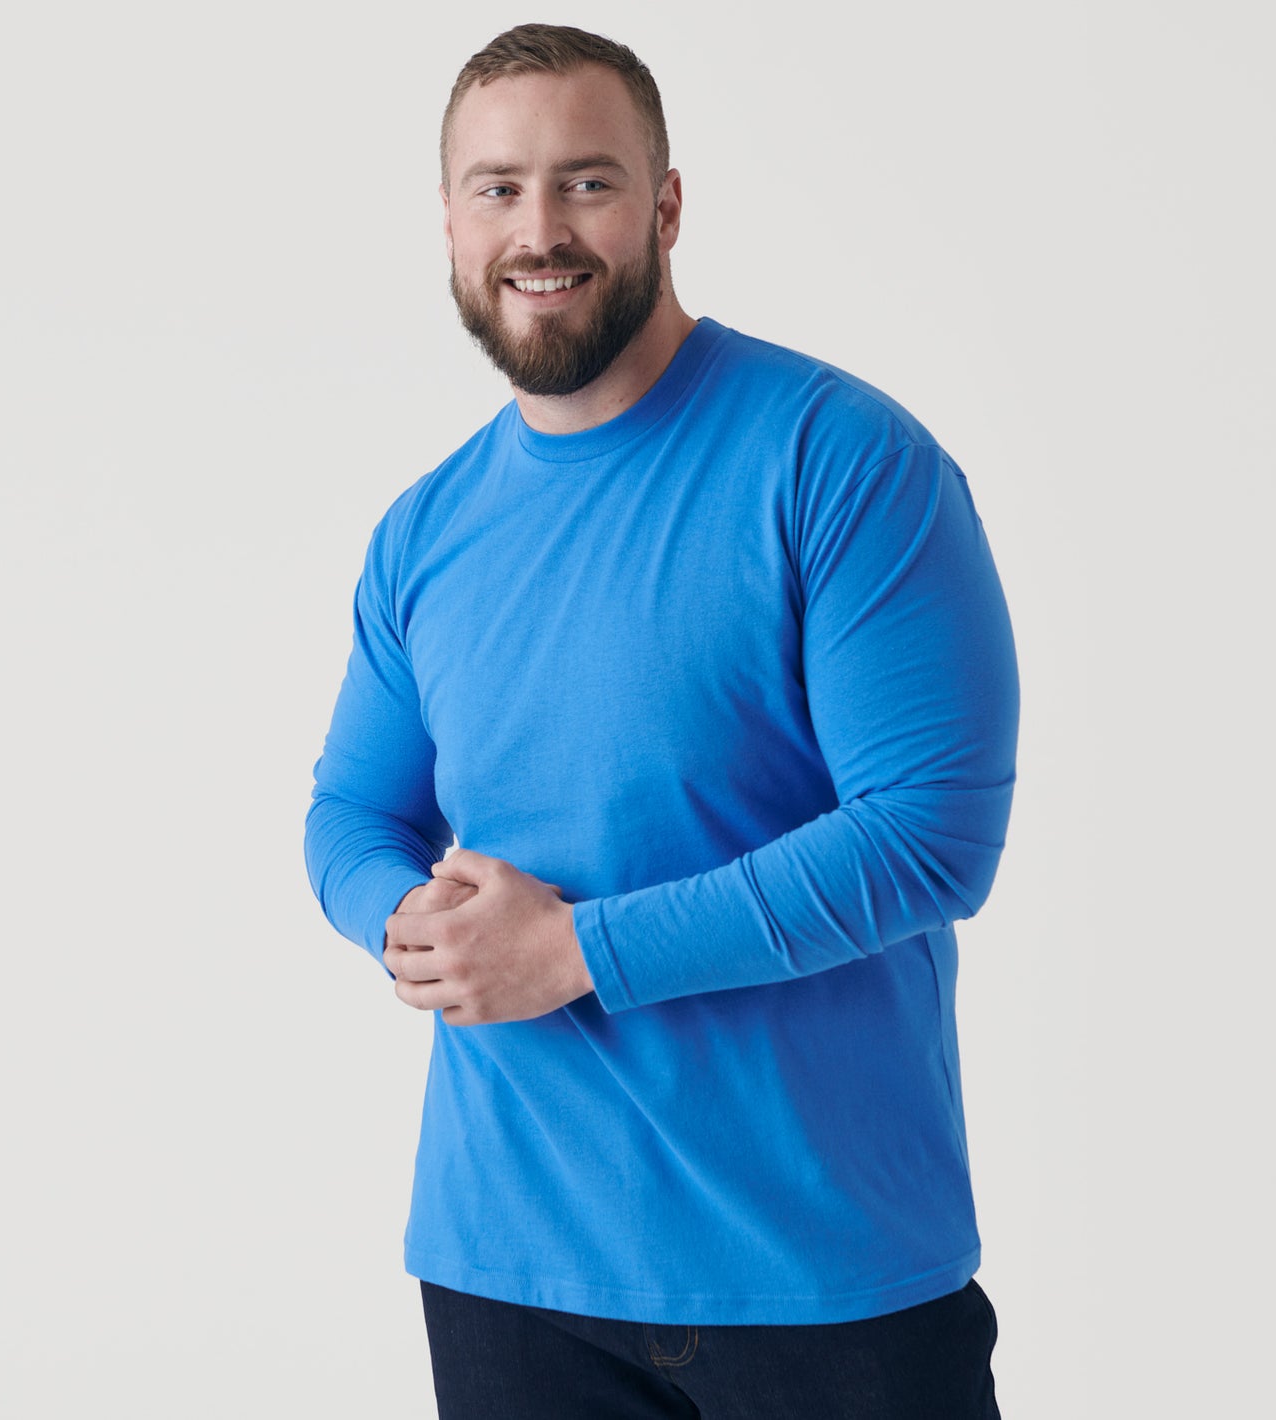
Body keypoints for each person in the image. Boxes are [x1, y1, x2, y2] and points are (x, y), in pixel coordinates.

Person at [305, 22, 1018, 1419]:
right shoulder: (426, 532)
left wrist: (573, 952)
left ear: (666, 205)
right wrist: (414, 927)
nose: (540, 228)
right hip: (509, 1270)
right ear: (450, 219)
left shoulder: (843, 461)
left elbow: (932, 840)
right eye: (498, 188)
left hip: (822, 1273)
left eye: (587, 181)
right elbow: (351, 814)